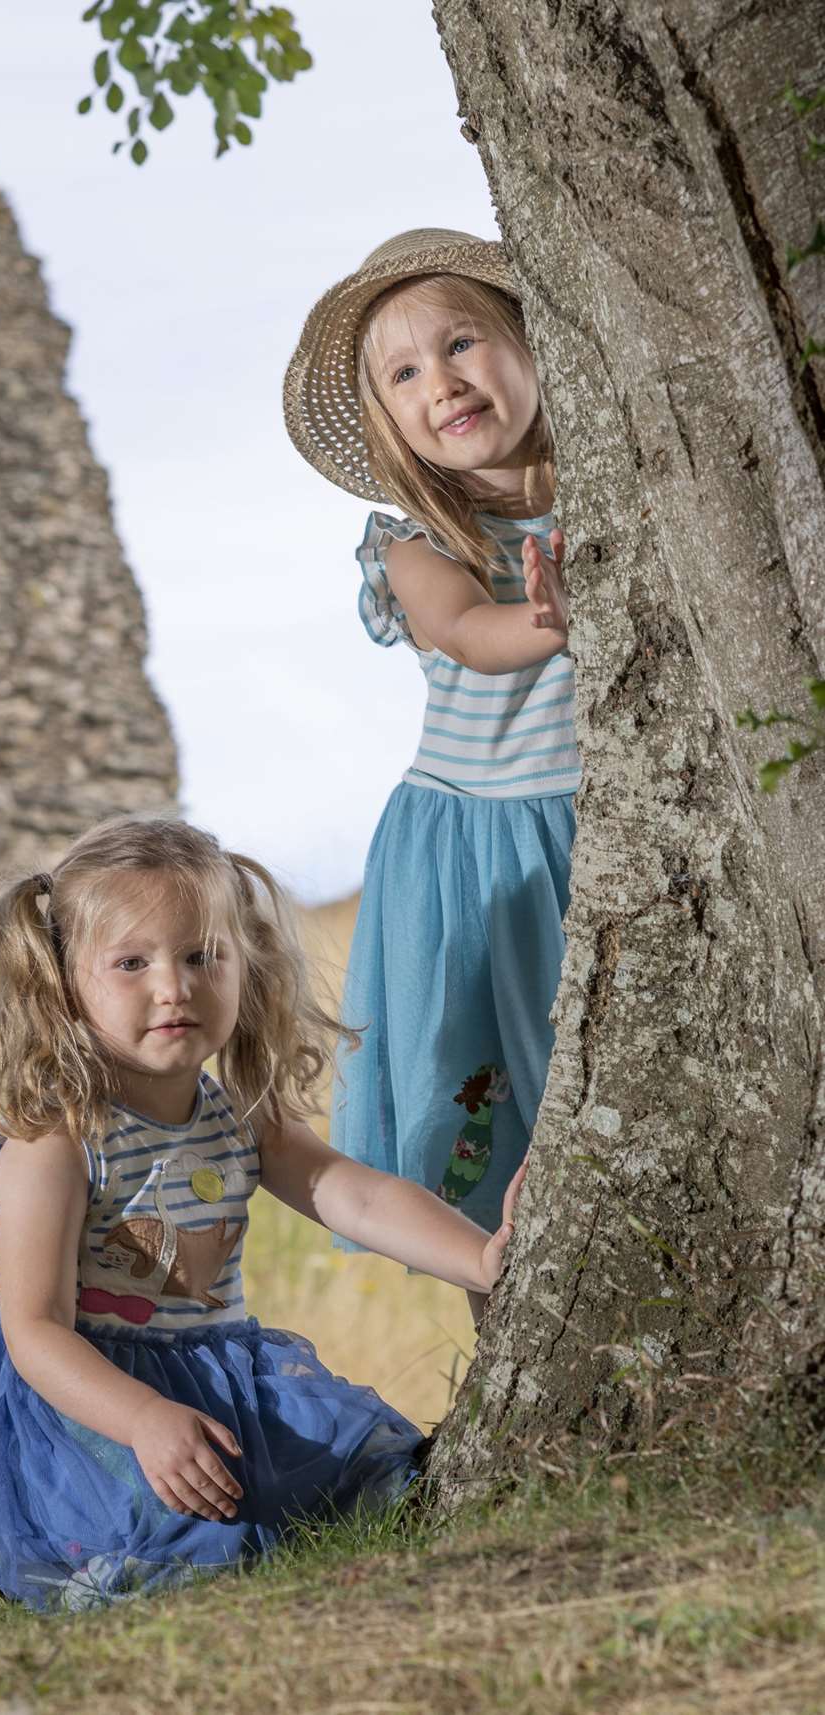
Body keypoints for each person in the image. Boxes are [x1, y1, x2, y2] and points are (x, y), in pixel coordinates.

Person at [0, 815, 523, 1611]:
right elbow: (34, 1331)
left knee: (371, 1481)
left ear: (246, 966)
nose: (174, 986)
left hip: (215, 1371)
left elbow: (351, 1191)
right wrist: (144, 1418)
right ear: (63, 983)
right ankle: (105, 1564)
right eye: (131, 962)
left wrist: (481, 1258)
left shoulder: (237, 1111)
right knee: (189, 1543)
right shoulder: (56, 1141)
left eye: (202, 955)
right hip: (87, 1397)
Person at [283, 228, 578, 1319]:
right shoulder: (419, 543)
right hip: (473, 851)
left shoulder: (623, 484)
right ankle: (496, 1302)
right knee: (476, 1088)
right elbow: (463, 632)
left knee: (578, 1062)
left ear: (527, 344)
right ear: (388, 420)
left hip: (580, 828)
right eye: (404, 373)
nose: (442, 379)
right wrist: (542, 621)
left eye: (461, 342)